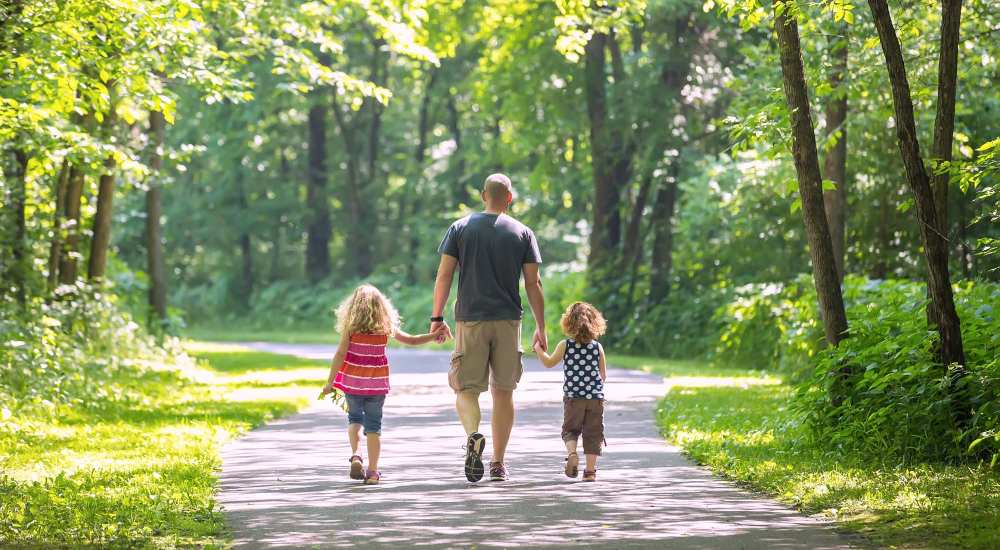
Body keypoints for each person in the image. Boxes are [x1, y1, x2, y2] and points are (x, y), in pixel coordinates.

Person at [430, 173, 546, 482]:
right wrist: (541, 327)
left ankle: (473, 435)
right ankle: (498, 463)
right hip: (509, 321)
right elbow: (533, 284)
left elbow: (444, 276)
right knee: (503, 392)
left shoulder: (460, 228)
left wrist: (437, 317)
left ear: (484, 195)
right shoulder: (523, 233)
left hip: (471, 319)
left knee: (466, 389)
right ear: (509, 198)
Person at [320, 284, 445, 485]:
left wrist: (330, 382)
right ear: (381, 307)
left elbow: (340, 354)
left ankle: (356, 455)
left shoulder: (351, 329)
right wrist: (433, 335)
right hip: (376, 387)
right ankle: (372, 472)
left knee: (354, 420)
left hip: (353, 385)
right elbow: (412, 341)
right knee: (374, 428)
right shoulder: (385, 327)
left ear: (353, 308)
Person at [533, 302, 607, 482]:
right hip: (595, 398)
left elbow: (549, 363)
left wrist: (538, 350)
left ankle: (572, 453)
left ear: (568, 323)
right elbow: (603, 376)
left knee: (571, 430)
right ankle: (590, 472)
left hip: (573, 398)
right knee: (593, 434)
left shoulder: (565, 345)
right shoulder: (597, 347)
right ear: (595, 323)